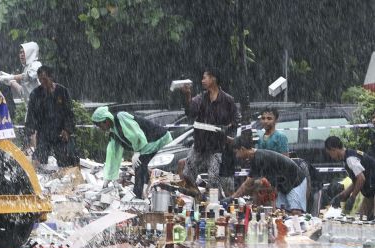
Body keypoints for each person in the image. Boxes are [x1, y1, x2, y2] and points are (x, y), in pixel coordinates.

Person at [91, 106, 173, 198]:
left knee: (140, 166)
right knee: (143, 167)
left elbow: (135, 133)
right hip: (147, 146)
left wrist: (137, 152)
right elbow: (113, 156)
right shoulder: (113, 133)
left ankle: (138, 197)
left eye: (100, 125)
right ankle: (144, 194)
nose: (100, 128)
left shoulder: (120, 117)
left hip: (158, 139)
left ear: (105, 120)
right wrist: (108, 178)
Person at [182, 68, 240, 196]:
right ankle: (197, 197)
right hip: (200, 145)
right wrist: (187, 95)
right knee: (187, 174)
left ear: (213, 79)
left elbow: (236, 120)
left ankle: (216, 204)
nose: (202, 81)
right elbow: (191, 112)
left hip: (216, 147)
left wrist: (228, 131)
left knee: (213, 179)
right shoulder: (201, 98)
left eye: (205, 77)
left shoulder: (227, 100)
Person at [229, 137, 308, 214]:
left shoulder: (260, 158)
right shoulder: (255, 158)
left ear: (242, 149)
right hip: (285, 184)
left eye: (236, 152)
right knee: (281, 213)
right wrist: (232, 198)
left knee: (296, 213)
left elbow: (248, 184)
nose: (236, 156)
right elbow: (248, 183)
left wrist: (231, 198)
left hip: (296, 182)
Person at [25, 65, 80, 168]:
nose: (42, 82)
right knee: (38, 158)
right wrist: (29, 134)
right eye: (40, 80)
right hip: (43, 132)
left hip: (60, 132)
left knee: (68, 159)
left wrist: (67, 130)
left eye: (44, 79)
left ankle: (71, 175)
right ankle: (35, 178)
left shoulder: (62, 91)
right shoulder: (35, 94)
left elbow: (69, 113)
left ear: (51, 77)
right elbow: (31, 116)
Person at [324, 136, 375, 219]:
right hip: (371, 191)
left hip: (372, 189)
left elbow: (361, 179)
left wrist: (353, 197)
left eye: (330, 153)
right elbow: (356, 181)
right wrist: (342, 195)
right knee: (362, 218)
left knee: (369, 221)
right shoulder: (348, 156)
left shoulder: (350, 159)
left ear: (334, 149)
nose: (331, 156)